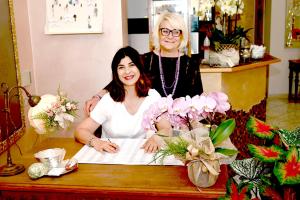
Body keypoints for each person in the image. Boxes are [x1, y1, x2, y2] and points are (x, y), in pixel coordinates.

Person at [85, 11, 203, 114]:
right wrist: (98, 97)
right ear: (158, 33)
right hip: (149, 125)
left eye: (176, 31)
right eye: (165, 31)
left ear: (182, 36)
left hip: (182, 127)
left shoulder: (191, 64)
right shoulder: (144, 60)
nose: (170, 36)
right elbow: (118, 82)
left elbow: (198, 99)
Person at [75, 46, 172, 153]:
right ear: (116, 73)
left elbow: (166, 128)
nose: (127, 71)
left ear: (139, 67)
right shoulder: (108, 100)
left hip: (140, 154)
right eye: (121, 67)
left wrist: (156, 138)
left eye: (132, 65)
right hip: (110, 156)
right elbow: (80, 131)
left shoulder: (152, 96)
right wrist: (97, 142)